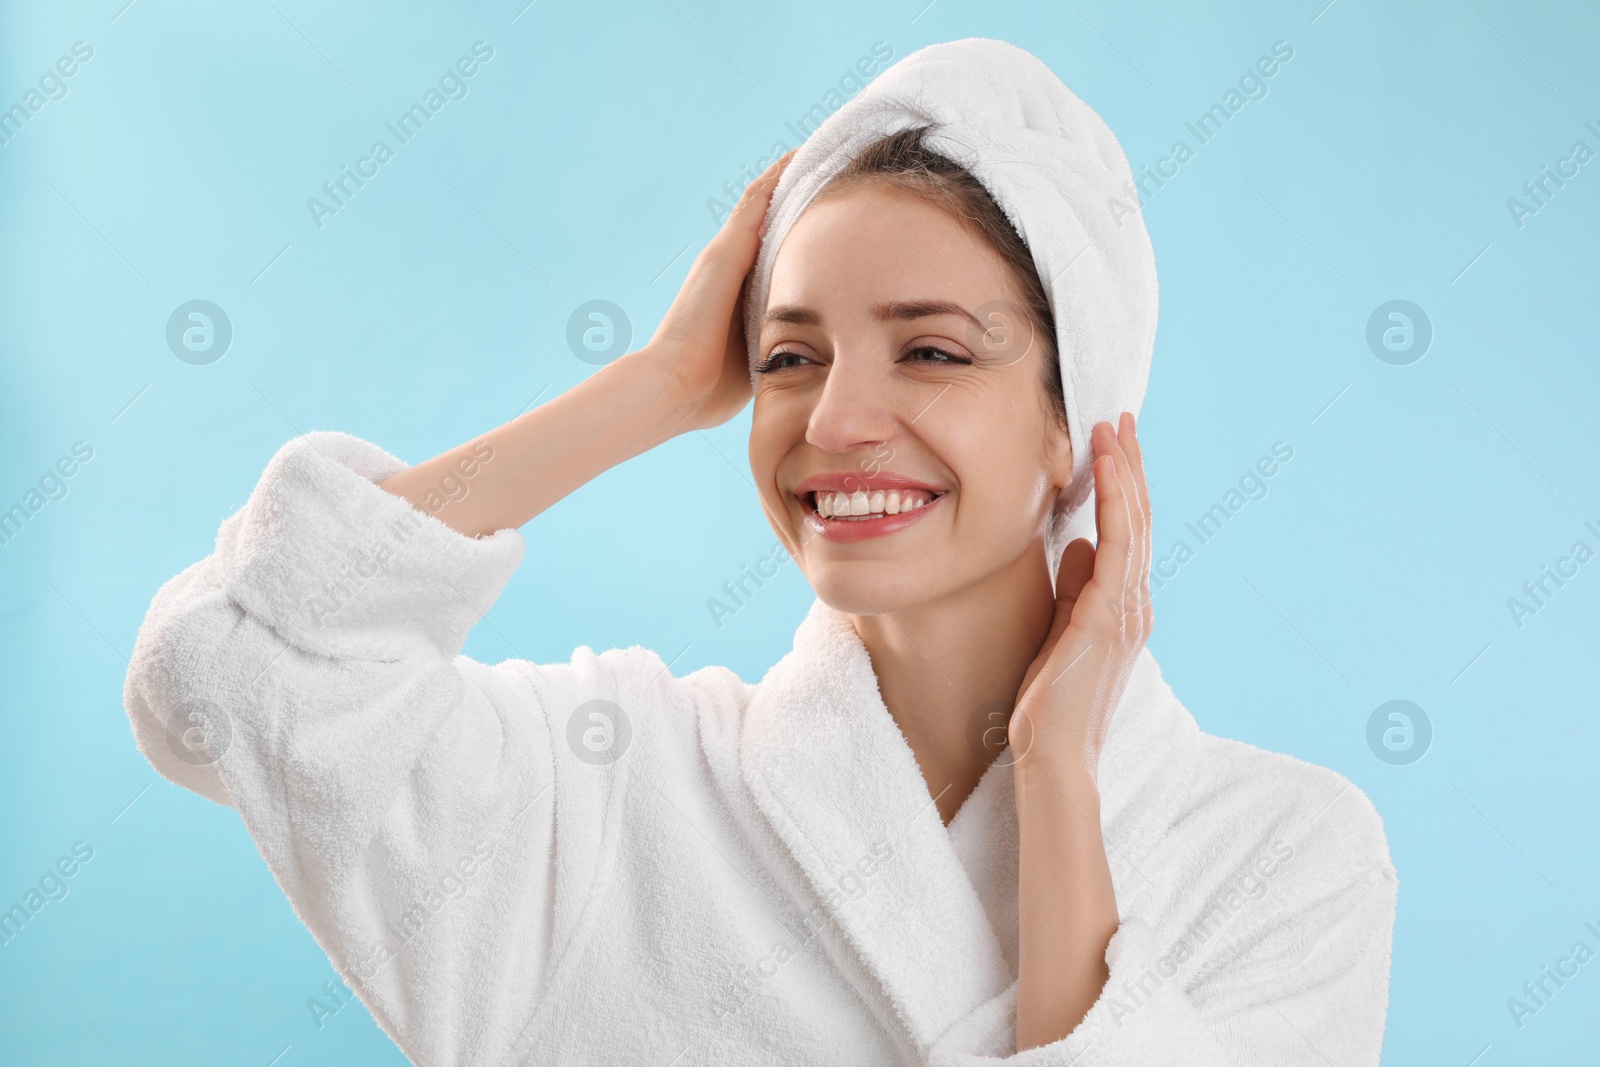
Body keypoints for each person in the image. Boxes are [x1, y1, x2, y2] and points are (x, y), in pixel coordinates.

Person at [125, 38, 1396, 1066]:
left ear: (1079, 422)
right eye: (788, 358)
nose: (834, 420)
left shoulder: (1284, 857)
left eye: (933, 349)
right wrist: (656, 384)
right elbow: (225, 682)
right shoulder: (615, 787)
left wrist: (1054, 773)